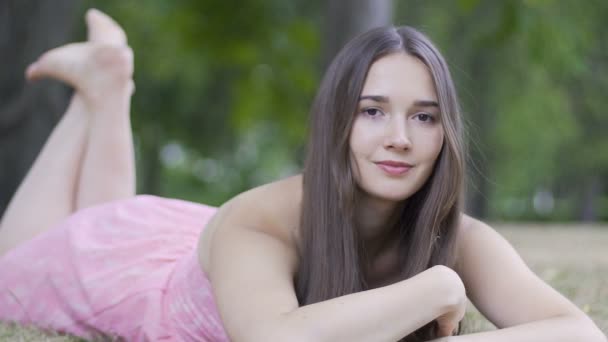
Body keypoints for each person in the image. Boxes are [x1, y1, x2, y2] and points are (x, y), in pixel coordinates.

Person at [0, 8, 605, 342]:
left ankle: (107, 87)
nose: (399, 136)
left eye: (424, 116)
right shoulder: (260, 217)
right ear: (337, 121)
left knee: (103, 217)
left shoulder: (460, 235)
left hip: (187, 243)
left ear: (447, 133)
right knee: (19, 262)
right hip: (126, 280)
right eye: (373, 111)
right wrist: (436, 288)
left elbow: (577, 334)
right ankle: (100, 95)